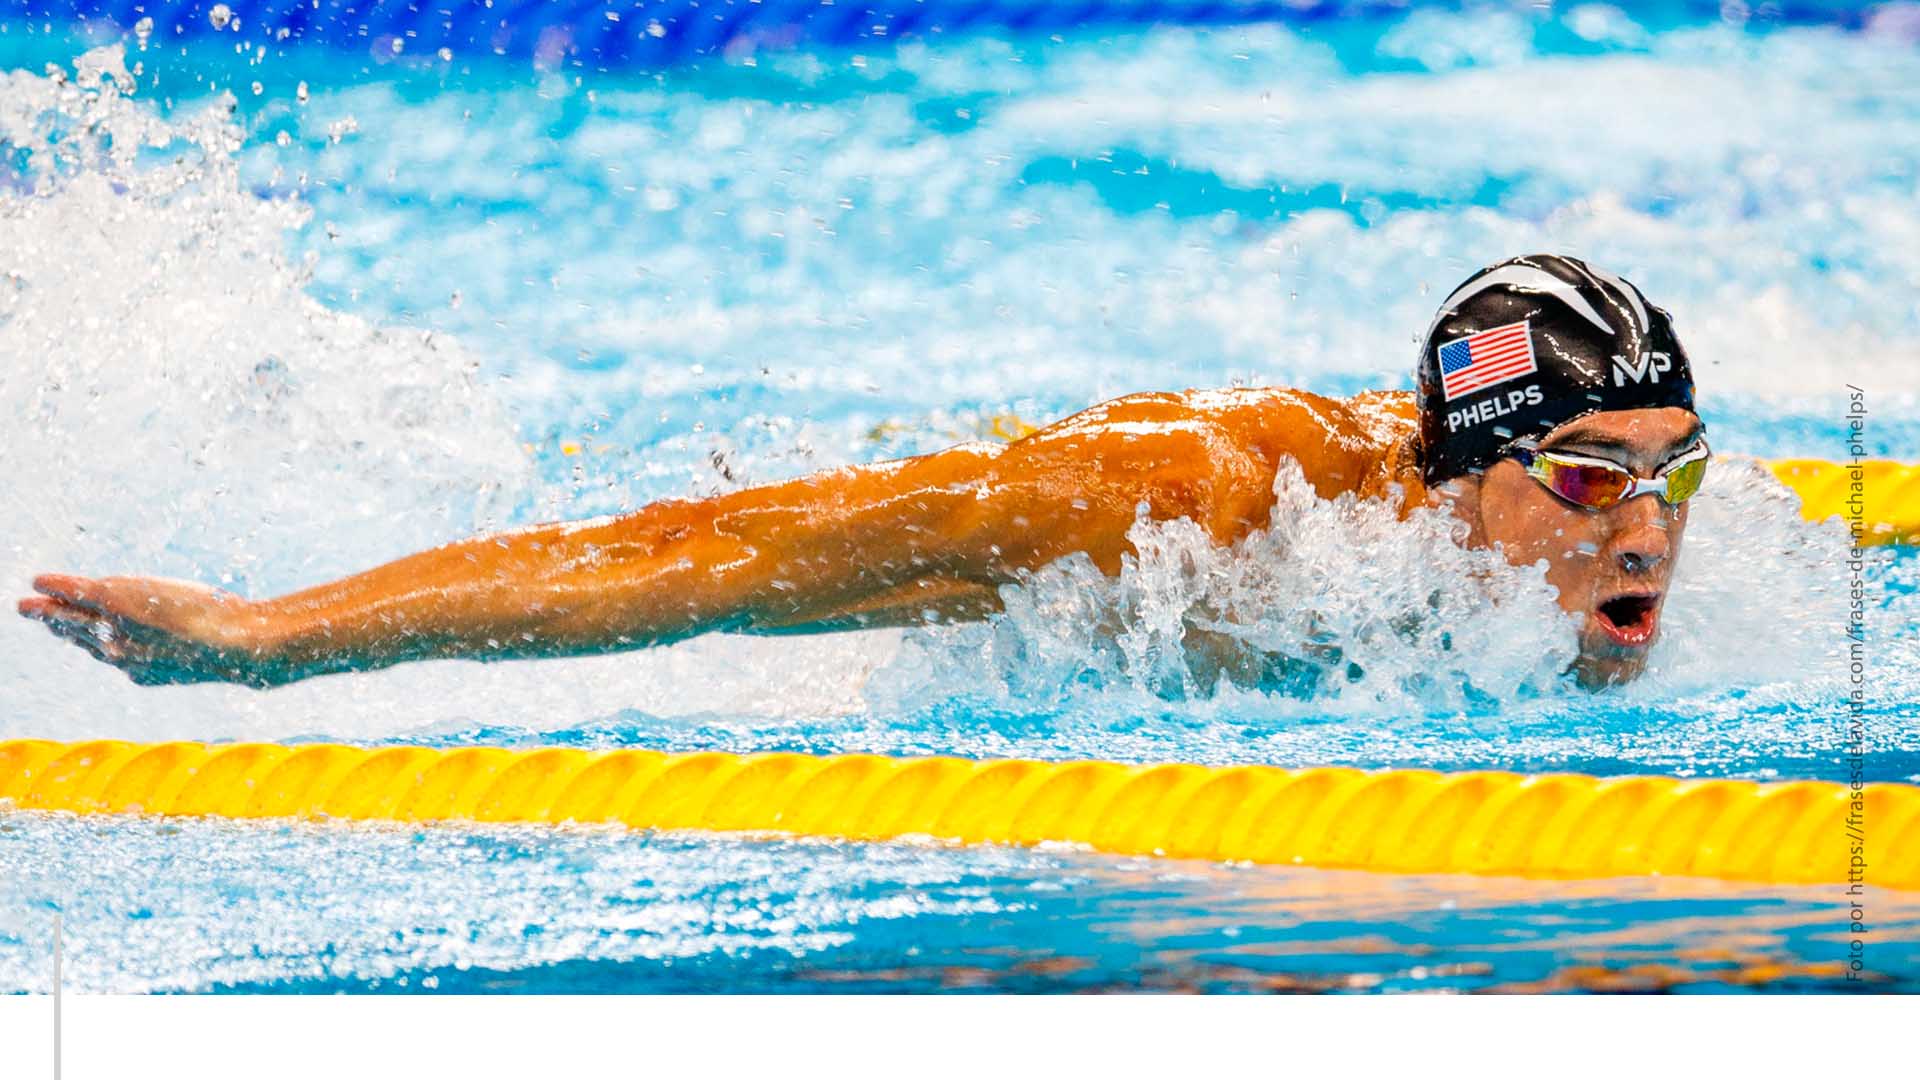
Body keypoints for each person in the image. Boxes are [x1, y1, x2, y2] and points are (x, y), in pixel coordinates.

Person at [17, 254, 1705, 692]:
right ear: (1459, 469)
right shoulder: (1183, 508)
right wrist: (269, 635)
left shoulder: (1646, 548)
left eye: (1669, 473)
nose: (1647, 530)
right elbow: (694, 555)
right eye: (1585, 478)